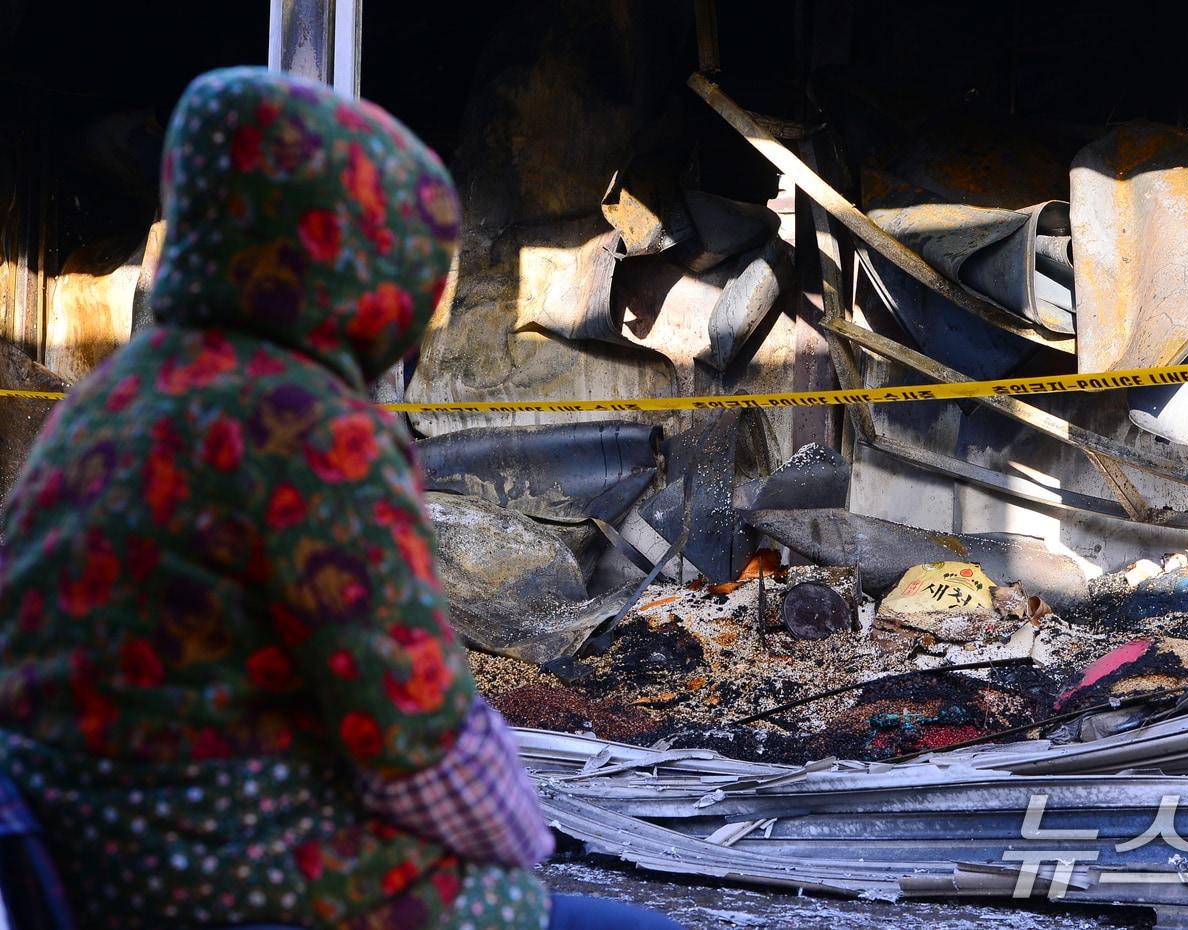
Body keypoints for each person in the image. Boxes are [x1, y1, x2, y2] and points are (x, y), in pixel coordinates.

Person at [0, 68, 682, 930]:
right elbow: (416, 735)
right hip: (239, 877)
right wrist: (523, 841)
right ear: (351, 261)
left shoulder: (102, 407)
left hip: (84, 869)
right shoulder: (307, 428)